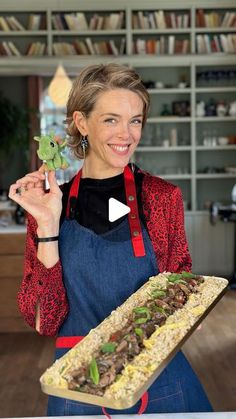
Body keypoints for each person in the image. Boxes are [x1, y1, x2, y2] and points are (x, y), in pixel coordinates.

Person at [9, 63, 212, 416]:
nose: (127, 134)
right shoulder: (50, 204)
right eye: (111, 119)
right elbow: (45, 321)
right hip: (78, 385)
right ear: (81, 122)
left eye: (135, 120)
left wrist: (128, 360)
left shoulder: (162, 199)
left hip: (156, 380)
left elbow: (181, 302)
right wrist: (46, 225)